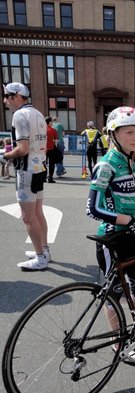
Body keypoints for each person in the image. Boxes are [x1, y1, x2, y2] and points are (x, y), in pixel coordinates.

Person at [86, 106, 135, 364]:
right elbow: (93, 208)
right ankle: (118, 343)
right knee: (112, 295)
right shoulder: (106, 165)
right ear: (114, 134)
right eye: (129, 132)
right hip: (112, 240)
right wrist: (129, 220)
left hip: (133, 237)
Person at [2, 82, 51, 270]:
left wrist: (5, 155)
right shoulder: (38, 114)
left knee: (28, 217)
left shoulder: (19, 115)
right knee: (38, 212)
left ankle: (40, 258)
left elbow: (21, 149)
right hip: (39, 167)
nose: (5, 101)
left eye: (6, 96)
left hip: (26, 171)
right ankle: (44, 250)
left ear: (15, 96)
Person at [45, 116, 58, 183]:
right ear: (49, 122)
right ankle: (50, 178)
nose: (52, 122)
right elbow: (56, 141)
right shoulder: (53, 130)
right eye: (51, 121)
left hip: (43, 149)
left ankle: (43, 177)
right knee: (51, 164)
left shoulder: (42, 129)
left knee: (43, 163)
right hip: (51, 148)